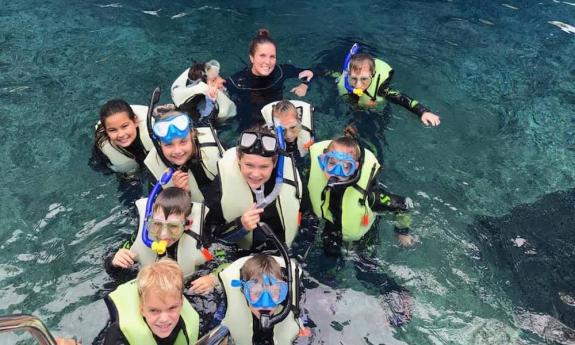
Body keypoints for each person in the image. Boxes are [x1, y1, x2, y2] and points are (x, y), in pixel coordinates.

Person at [307, 126, 415, 254]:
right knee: (329, 257)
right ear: (323, 160)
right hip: (332, 226)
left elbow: (405, 204)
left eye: (346, 166)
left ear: (356, 168)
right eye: (331, 163)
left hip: (363, 233)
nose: (337, 172)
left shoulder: (371, 195)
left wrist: (402, 232)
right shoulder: (312, 173)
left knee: (365, 264)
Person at [204, 125, 302, 253]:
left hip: (282, 251)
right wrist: (240, 226)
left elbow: (309, 217)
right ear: (239, 158)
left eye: (263, 167)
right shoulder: (221, 185)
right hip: (241, 253)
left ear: (275, 162)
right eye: (249, 165)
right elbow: (209, 237)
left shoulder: (291, 177)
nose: (256, 174)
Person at [106, 187, 217, 295]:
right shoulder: (141, 236)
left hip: (187, 289)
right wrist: (114, 261)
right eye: (157, 224)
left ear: (188, 224)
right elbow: (111, 265)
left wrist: (212, 279)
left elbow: (224, 258)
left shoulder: (202, 241)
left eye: (173, 226)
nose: (163, 234)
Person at [226, 28, 314, 130]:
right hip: (249, 122)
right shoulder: (237, 81)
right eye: (262, 56)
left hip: (277, 118)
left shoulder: (281, 72)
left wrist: (304, 85)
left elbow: (311, 73)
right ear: (252, 57)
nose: (267, 62)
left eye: (272, 57)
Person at [337, 44, 440, 126]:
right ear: (348, 75)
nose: (358, 85)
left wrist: (423, 112)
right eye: (354, 79)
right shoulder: (343, 82)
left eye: (364, 79)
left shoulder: (381, 89)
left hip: (377, 113)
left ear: (372, 75)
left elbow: (401, 98)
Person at [104, 259, 200, 345]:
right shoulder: (119, 335)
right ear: (142, 309)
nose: (164, 319)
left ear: (181, 304)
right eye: (154, 310)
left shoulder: (190, 322)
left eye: (172, 308)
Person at [217, 254, 305, 345]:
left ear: (283, 292)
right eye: (256, 293)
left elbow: (299, 316)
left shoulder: (290, 307)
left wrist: (302, 326)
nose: (266, 303)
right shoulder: (227, 308)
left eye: (274, 292)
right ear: (244, 291)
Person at [144, 109, 224, 203]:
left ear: (192, 136)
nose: (177, 151)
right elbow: (159, 211)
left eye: (183, 142)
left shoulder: (215, 149)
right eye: (169, 144)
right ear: (159, 144)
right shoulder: (155, 166)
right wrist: (180, 194)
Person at [92, 99, 154, 174]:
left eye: (125, 126)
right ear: (105, 130)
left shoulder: (151, 126)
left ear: (135, 121)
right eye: (112, 130)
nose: (121, 134)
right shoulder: (102, 143)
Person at [171, 60, 236, 125]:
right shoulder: (204, 101)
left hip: (210, 114)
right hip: (214, 118)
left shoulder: (201, 94)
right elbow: (205, 120)